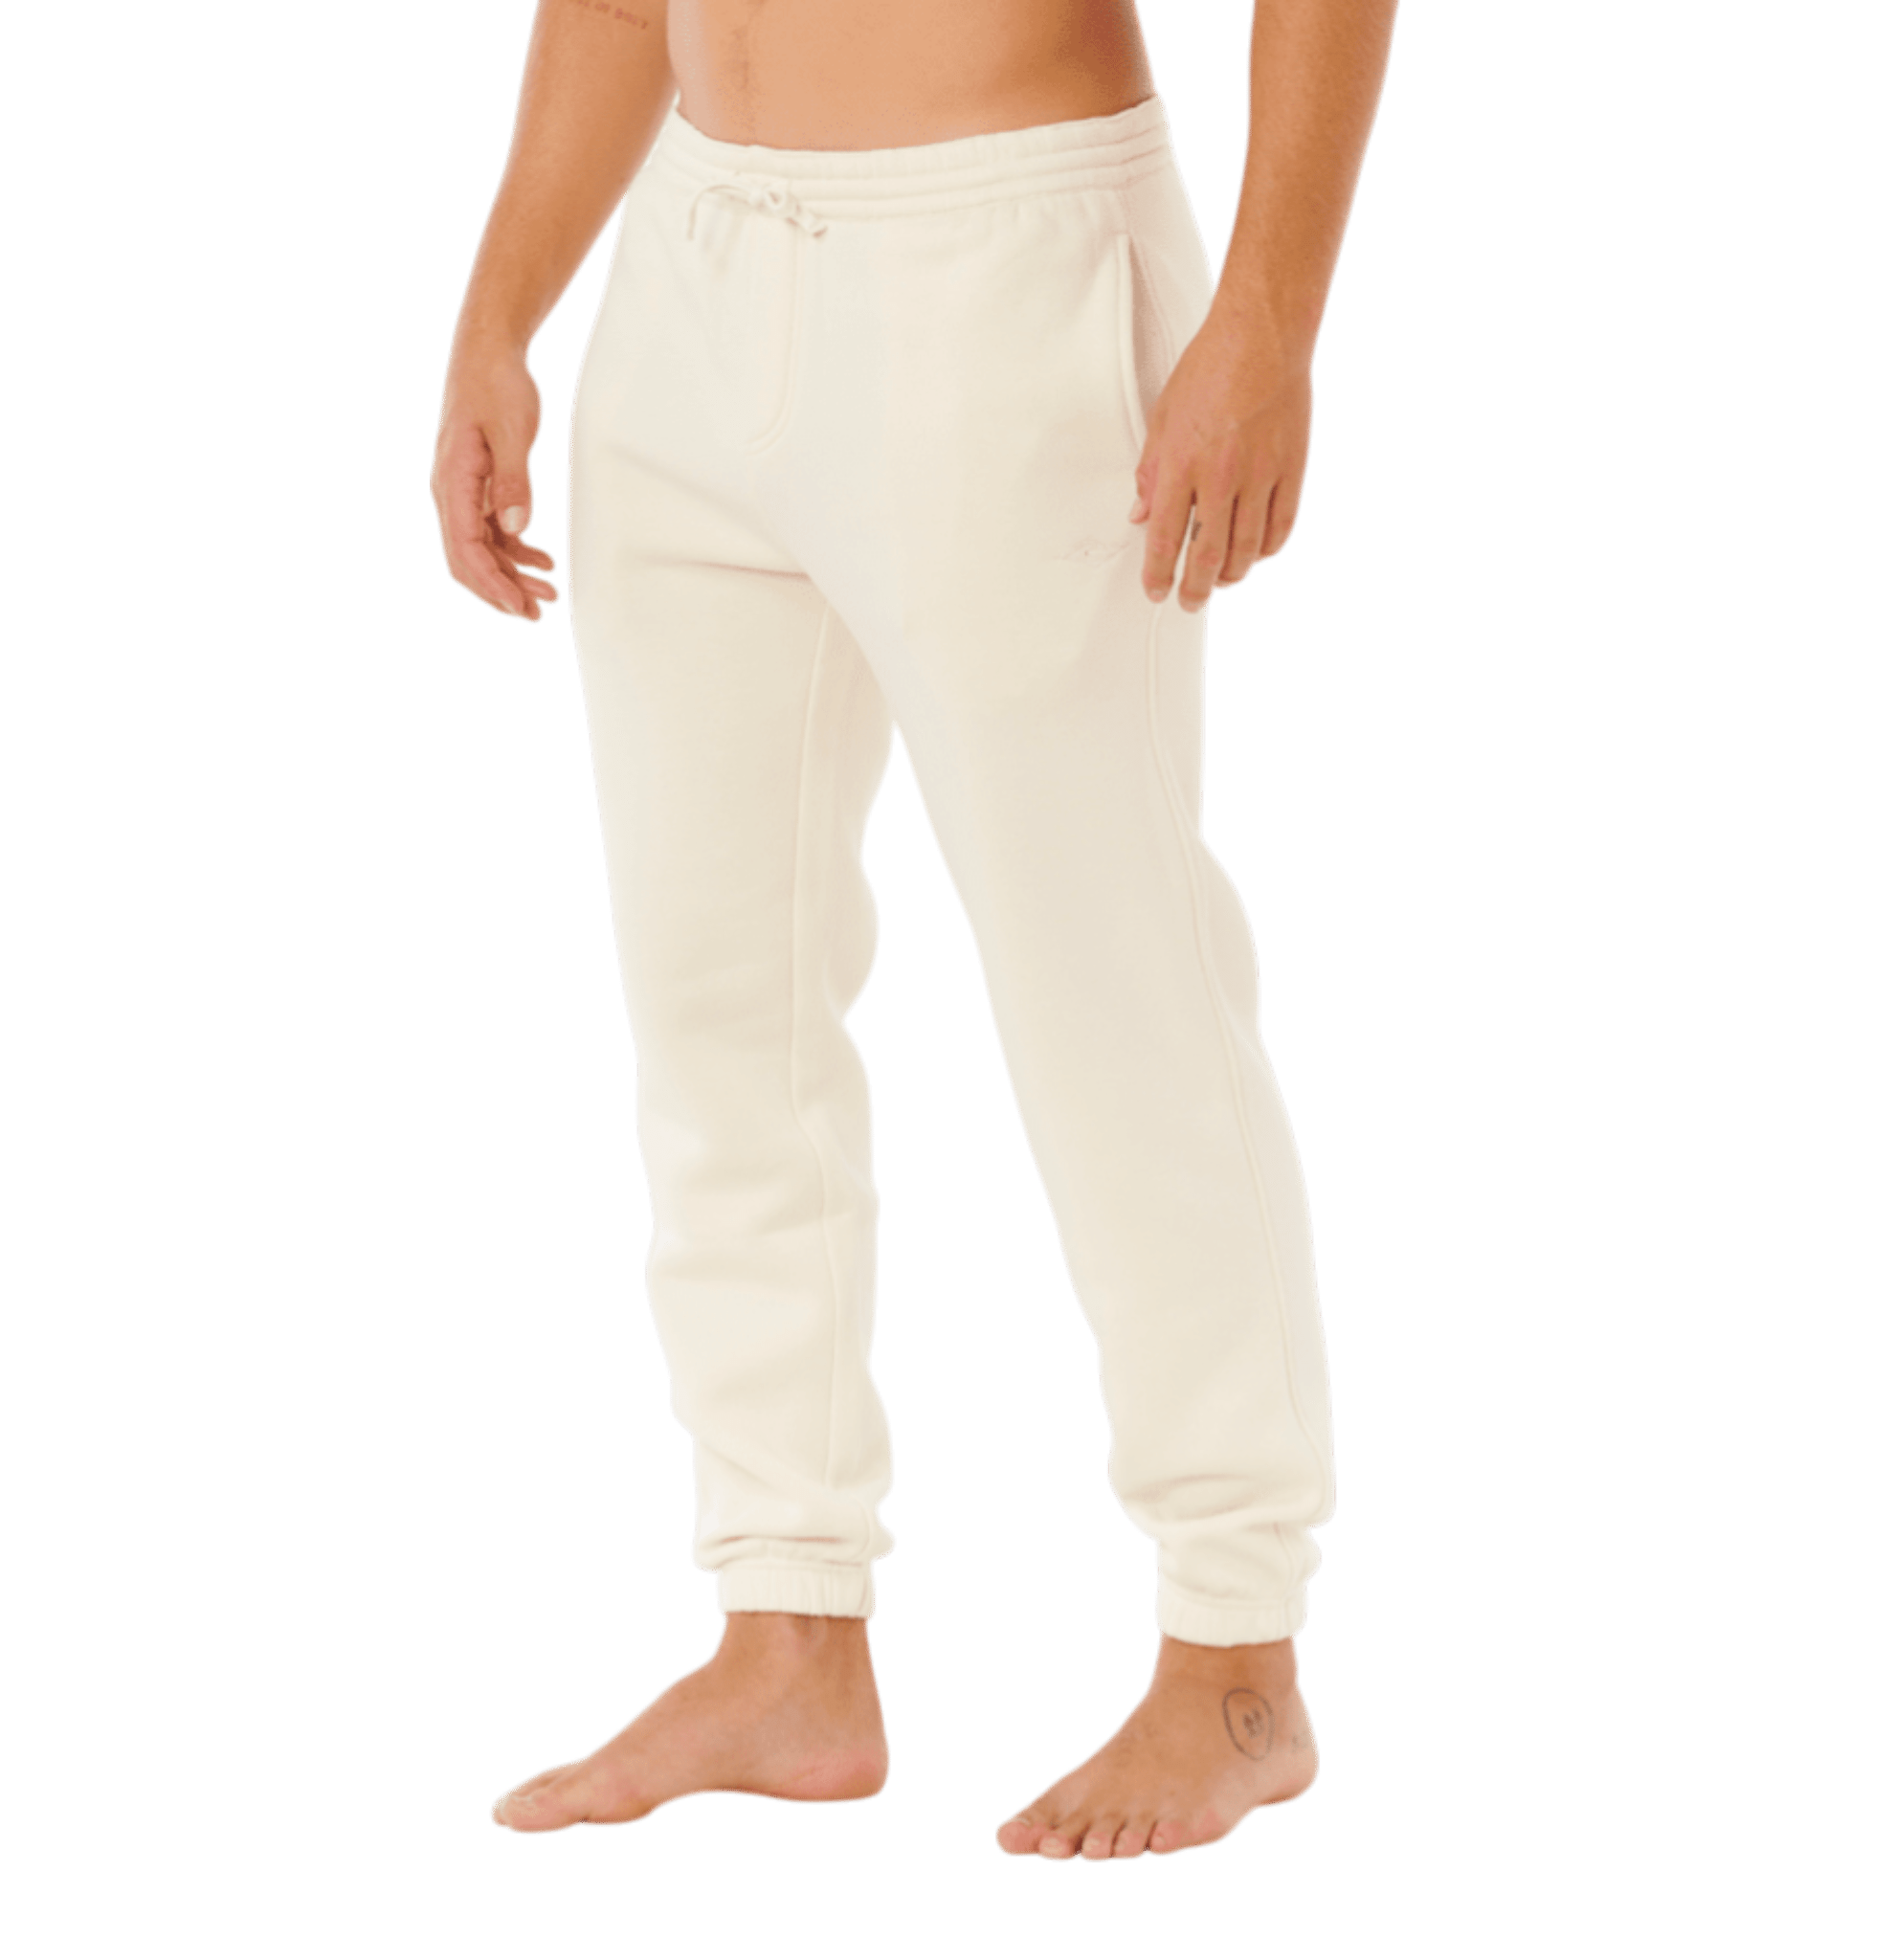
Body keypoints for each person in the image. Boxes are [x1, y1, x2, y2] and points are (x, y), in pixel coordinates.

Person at [430, 0, 1395, 1862]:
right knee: (718, 1006)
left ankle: (1235, 1651)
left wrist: (1268, 317)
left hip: (1003, 260)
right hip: (691, 268)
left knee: (1111, 985)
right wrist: (502, 299)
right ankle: (785, 1625)